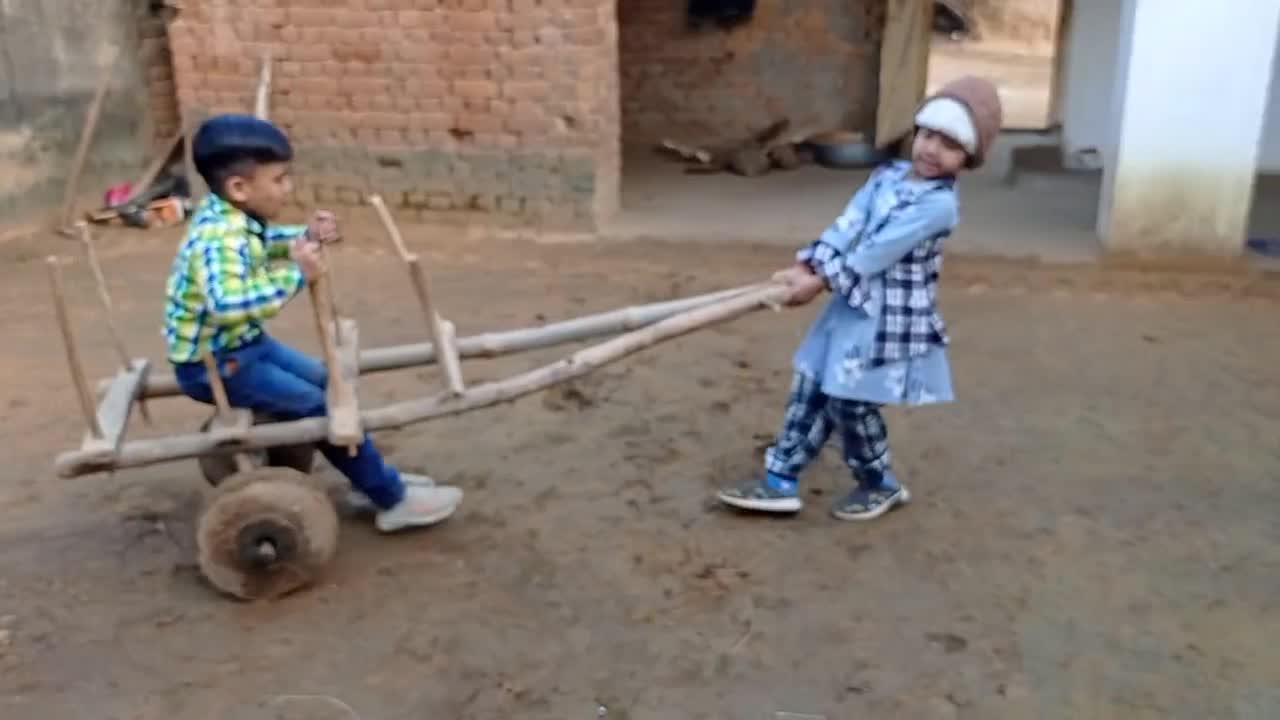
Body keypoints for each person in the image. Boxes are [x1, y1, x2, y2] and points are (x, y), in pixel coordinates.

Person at [717, 76, 1003, 521]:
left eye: (948, 145)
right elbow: (849, 225)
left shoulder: (938, 206)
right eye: (928, 135)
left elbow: (875, 252)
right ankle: (779, 480)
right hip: (850, 306)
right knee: (810, 385)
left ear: (967, 159)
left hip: (884, 321)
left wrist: (819, 281)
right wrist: (810, 263)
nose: (931, 150)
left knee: (849, 402)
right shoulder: (886, 176)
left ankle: (879, 482)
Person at [164, 113, 463, 533]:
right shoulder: (219, 238)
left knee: (330, 383)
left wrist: (303, 237)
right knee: (322, 406)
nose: (289, 188)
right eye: (280, 179)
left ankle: (368, 480)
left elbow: (264, 244)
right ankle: (391, 498)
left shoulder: (232, 218)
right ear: (239, 188)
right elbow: (228, 306)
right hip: (218, 363)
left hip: (244, 346)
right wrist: (296, 274)